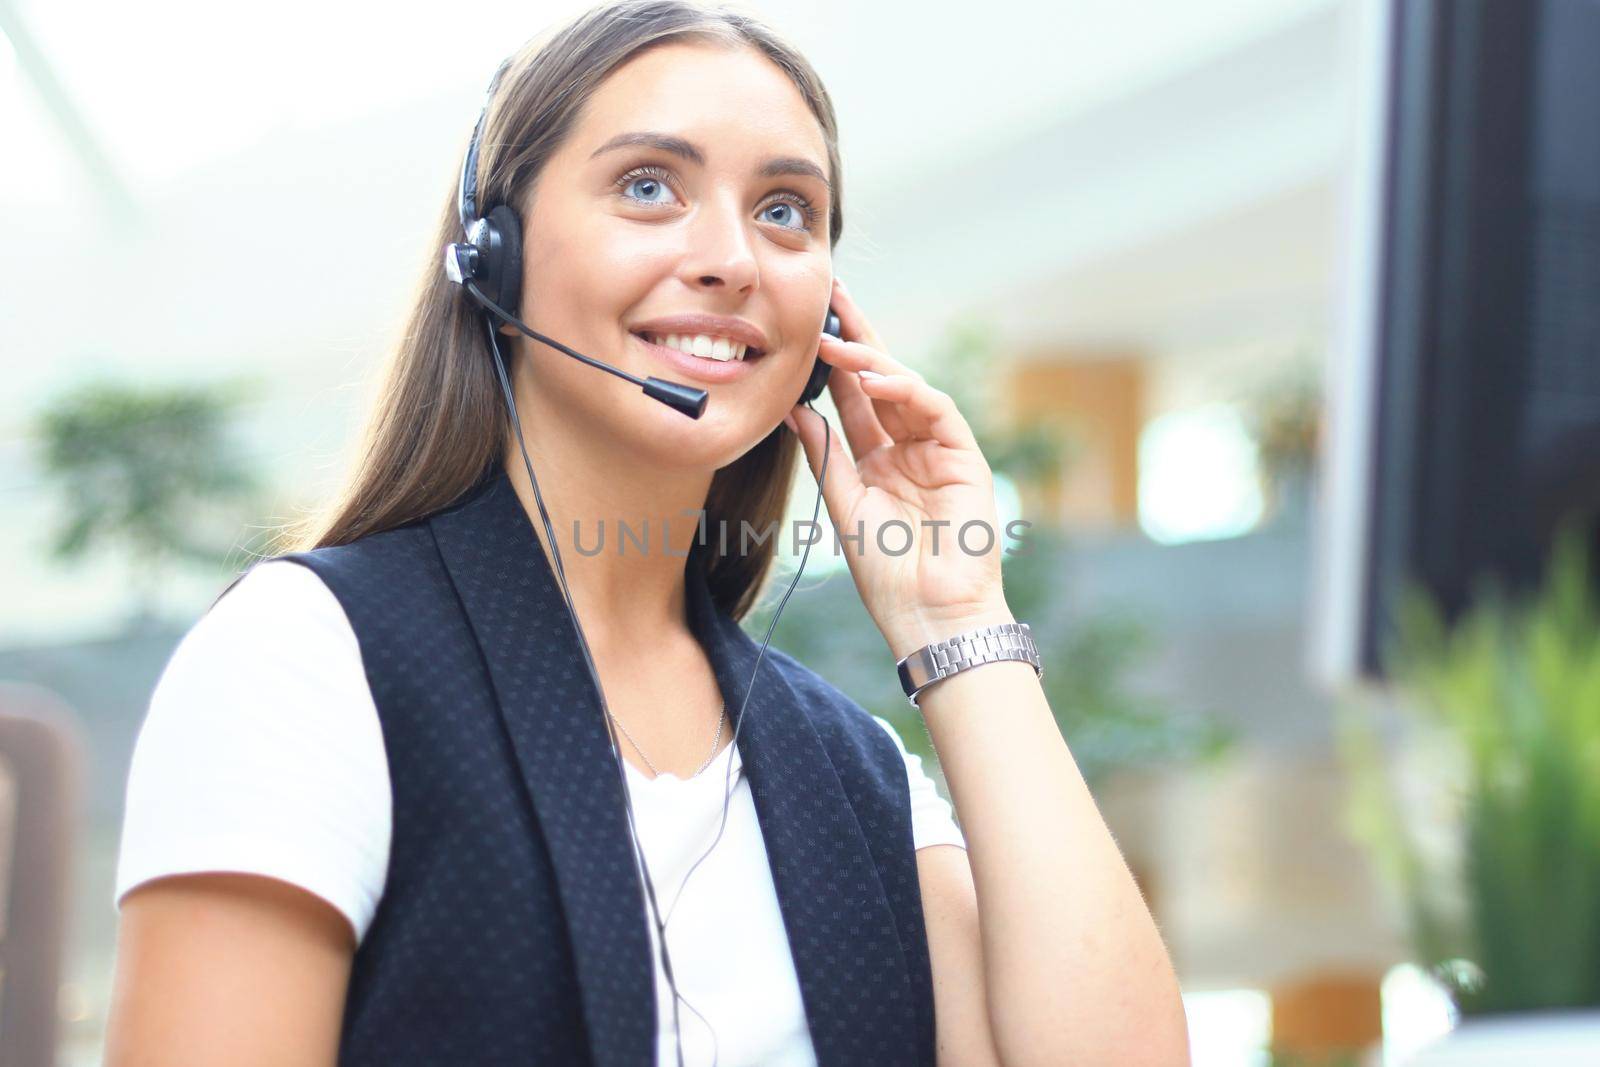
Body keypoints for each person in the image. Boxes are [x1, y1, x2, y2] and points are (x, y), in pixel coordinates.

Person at [103, 2, 1190, 1065]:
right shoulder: (310, 658)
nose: (732, 257)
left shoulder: (850, 772)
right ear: (494, 251)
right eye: (647, 186)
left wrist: (955, 615)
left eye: (783, 211)